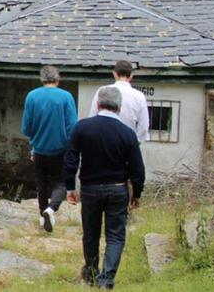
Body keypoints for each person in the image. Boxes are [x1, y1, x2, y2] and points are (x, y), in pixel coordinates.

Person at [65, 86, 145, 289]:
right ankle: (106, 279)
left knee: (90, 233)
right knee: (115, 235)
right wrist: (136, 193)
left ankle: (91, 272)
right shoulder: (128, 134)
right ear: (119, 108)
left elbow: (71, 159)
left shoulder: (82, 127)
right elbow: (137, 169)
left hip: (90, 188)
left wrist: (70, 187)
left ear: (98, 104)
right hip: (118, 189)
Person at [21, 65, 78, 233]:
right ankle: (51, 209)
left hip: (39, 149)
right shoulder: (66, 97)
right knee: (61, 183)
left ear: (42, 79)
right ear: (57, 79)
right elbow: (72, 126)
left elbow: (26, 128)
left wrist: (35, 140)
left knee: (42, 183)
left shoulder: (32, 96)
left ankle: (42, 215)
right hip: (60, 150)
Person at [88, 60, 149, 143]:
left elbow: (92, 117)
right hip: (127, 142)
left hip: (103, 141)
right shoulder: (139, 96)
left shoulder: (102, 91)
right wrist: (137, 142)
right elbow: (144, 126)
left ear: (114, 74)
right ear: (131, 75)